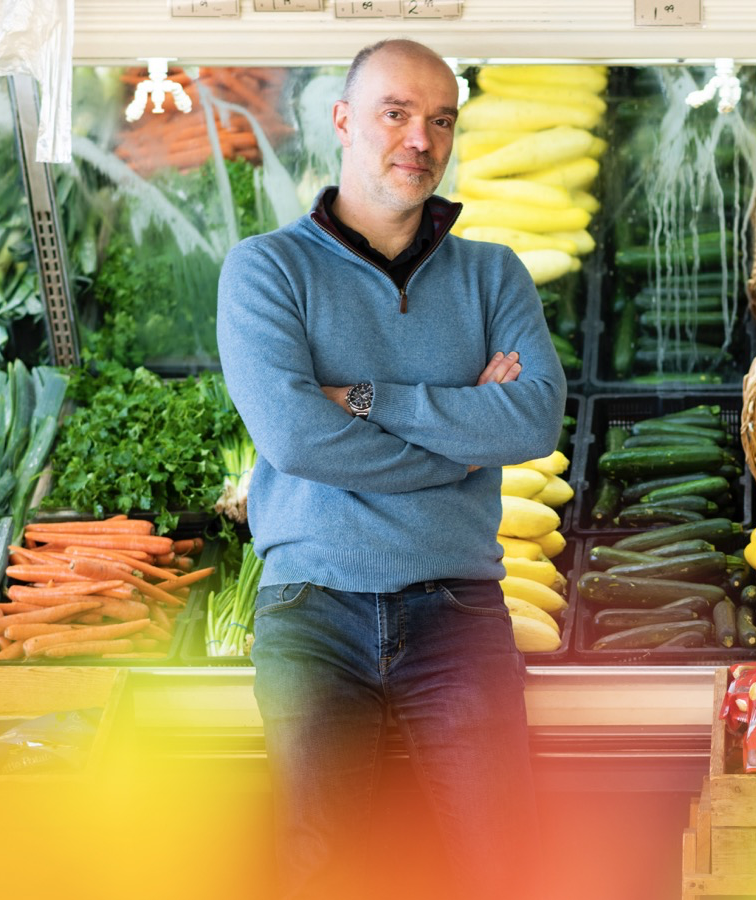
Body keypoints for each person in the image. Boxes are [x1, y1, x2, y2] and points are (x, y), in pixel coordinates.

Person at [215, 39, 565, 900]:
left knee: (503, 859)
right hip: (311, 607)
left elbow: (534, 417)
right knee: (319, 865)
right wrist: (460, 444)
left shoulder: (492, 275)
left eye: (441, 119)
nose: (421, 139)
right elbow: (298, 440)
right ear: (342, 121)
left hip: (457, 607)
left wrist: (369, 397)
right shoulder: (268, 270)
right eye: (396, 113)